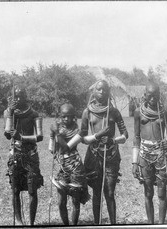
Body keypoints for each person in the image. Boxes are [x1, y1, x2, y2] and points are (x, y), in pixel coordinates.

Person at [67, 80, 128, 224]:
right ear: (94, 92)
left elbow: (125, 135)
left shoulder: (114, 112)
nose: (102, 92)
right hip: (94, 156)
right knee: (96, 193)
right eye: (99, 90)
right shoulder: (87, 112)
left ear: (109, 92)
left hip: (111, 155)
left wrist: (113, 140)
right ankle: (97, 224)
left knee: (110, 193)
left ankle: (113, 225)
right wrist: (97, 135)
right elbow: (82, 137)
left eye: (105, 90)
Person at [132, 82, 167, 224]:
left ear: (159, 96)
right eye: (149, 95)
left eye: (155, 95)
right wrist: (134, 162)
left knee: (162, 194)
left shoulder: (166, 115)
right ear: (145, 95)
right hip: (144, 156)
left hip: (160, 156)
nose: (152, 99)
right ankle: (150, 224)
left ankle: (161, 224)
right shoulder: (138, 112)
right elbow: (136, 137)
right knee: (148, 192)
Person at [4, 86, 44, 226]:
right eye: (15, 96)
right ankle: (20, 221)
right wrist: (10, 112)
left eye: (21, 95)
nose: (18, 99)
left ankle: (32, 223)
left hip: (30, 155)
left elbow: (39, 136)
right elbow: (7, 133)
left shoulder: (34, 114)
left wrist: (21, 136)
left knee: (32, 189)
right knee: (15, 189)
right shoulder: (9, 112)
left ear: (26, 96)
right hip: (15, 153)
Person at [48, 103, 90, 225]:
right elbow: (52, 150)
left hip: (75, 167)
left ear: (74, 117)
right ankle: (66, 225)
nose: (66, 119)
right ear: (60, 116)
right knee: (61, 201)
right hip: (62, 167)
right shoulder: (58, 128)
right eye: (64, 116)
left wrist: (57, 133)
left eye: (69, 116)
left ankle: (74, 226)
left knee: (75, 201)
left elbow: (66, 147)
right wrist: (52, 134)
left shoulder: (78, 131)